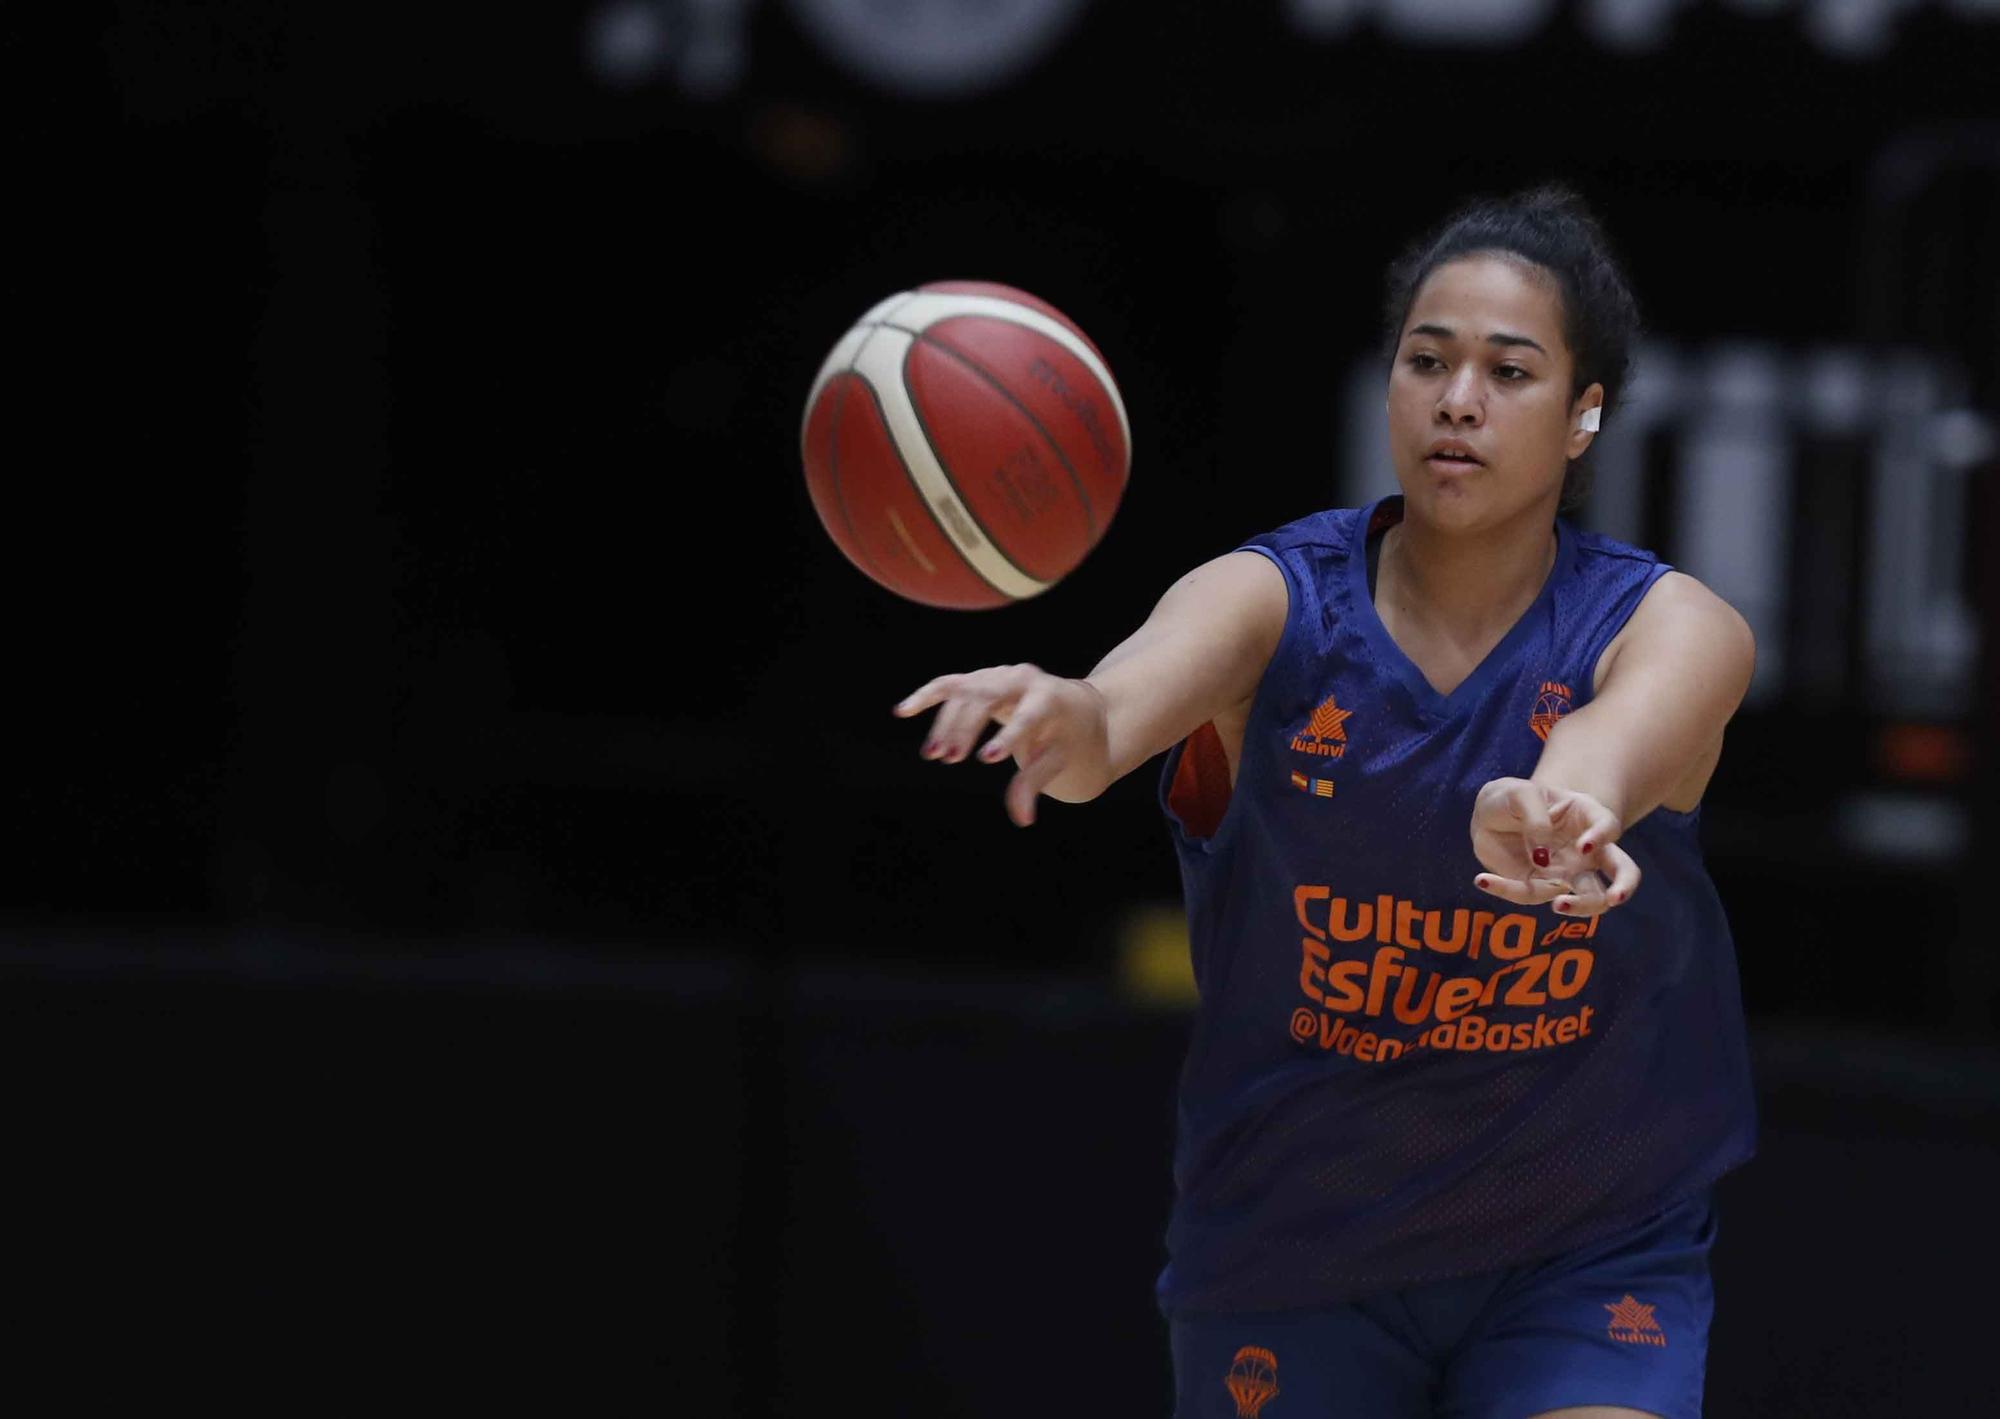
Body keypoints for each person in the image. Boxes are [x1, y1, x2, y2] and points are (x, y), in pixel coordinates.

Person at [894, 185, 1757, 1419]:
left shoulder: (1674, 625)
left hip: (1583, 1238)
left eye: (1508, 372)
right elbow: (1107, 724)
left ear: (1583, 416)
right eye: (1426, 360)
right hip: (1295, 1247)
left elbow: (1608, 749)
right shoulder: (1271, 597)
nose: (1456, 399)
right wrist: (1057, 709)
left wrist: (1560, 803)